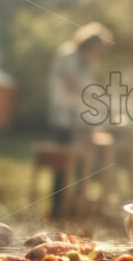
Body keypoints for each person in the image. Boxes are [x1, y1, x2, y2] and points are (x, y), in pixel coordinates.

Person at [47, 22, 112, 215]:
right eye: (97, 49)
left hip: (76, 120)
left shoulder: (83, 62)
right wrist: (92, 96)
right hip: (63, 120)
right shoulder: (68, 55)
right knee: (64, 165)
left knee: (82, 164)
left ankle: (76, 204)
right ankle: (58, 208)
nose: (97, 54)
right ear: (90, 45)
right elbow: (69, 84)